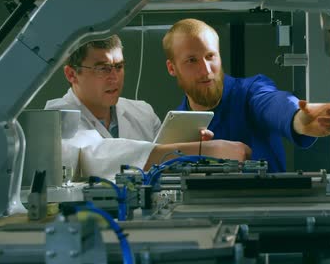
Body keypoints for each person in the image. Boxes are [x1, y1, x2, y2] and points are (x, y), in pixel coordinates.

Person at [46, 35, 251, 178]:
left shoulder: (141, 111)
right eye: (103, 68)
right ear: (71, 74)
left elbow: (161, 165)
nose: (114, 77)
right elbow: (96, 157)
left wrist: (186, 151)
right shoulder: (57, 115)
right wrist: (198, 150)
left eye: (119, 67)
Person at [163, 18, 330, 172]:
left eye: (210, 56)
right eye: (192, 60)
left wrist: (297, 118)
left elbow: (273, 103)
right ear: (172, 68)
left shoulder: (250, 92)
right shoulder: (176, 129)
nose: (206, 70)